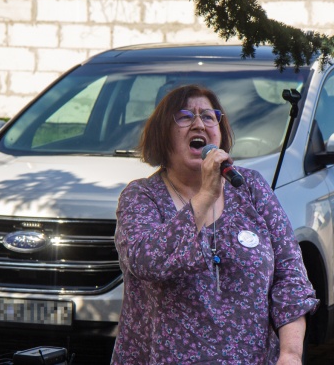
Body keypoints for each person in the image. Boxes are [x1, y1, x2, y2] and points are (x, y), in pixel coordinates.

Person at [111, 84, 319, 365]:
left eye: (209, 117)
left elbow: (290, 275)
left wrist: (290, 354)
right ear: (163, 134)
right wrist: (206, 194)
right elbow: (147, 261)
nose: (199, 124)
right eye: (185, 116)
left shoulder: (250, 186)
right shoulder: (141, 196)